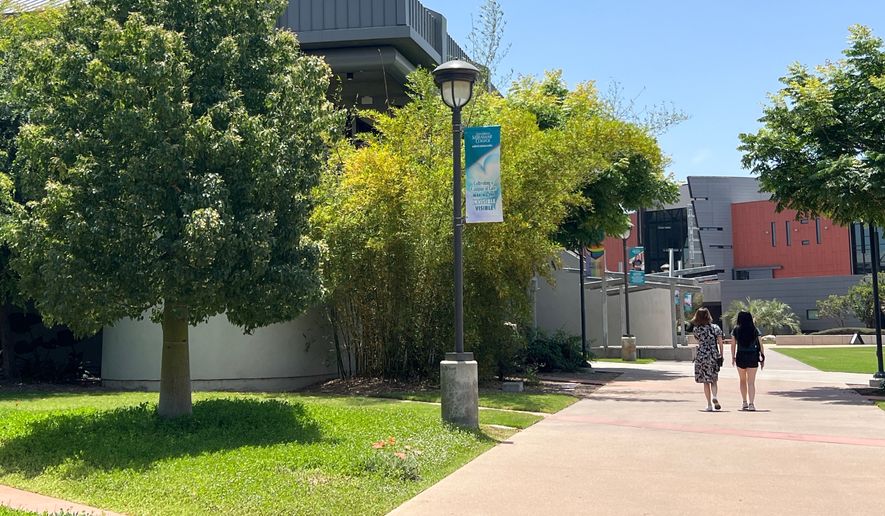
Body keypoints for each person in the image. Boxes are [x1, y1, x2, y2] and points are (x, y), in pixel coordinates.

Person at [730, 311, 765, 411]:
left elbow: (733, 344)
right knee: (751, 382)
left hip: (741, 355)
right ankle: (751, 404)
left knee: (742, 380)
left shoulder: (736, 330)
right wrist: (762, 357)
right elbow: (761, 344)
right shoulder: (755, 329)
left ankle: (744, 402)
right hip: (752, 356)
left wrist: (733, 357)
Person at [691, 307, 724, 411]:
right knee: (714, 379)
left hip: (702, 355)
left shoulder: (696, 329)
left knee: (706, 381)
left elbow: (698, 341)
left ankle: (709, 404)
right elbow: (720, 342)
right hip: (713, 354)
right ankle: (715, 396)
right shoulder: (715, 327)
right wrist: (721, 354)